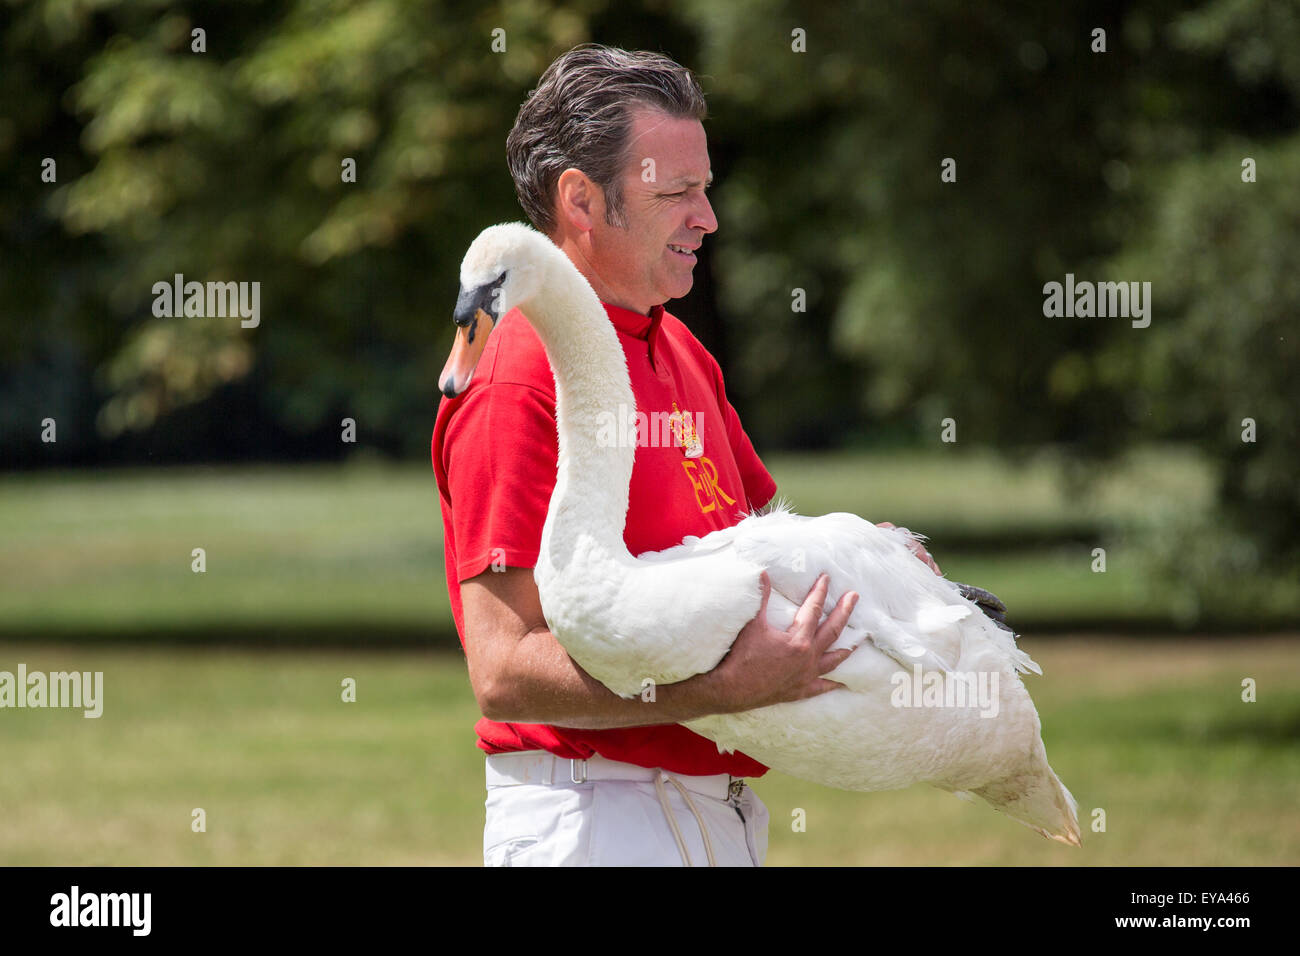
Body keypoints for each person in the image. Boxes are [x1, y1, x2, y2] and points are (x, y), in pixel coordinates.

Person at [431, 44, 938, 866]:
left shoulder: (678, 349)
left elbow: (756, 547)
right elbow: (505, 668)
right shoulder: (516, 377)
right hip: (600, 817)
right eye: (678, 193)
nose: (708, 219)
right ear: (581, 201)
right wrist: (722, 691)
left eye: (706, 190)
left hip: (714, 812)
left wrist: (870, 563)